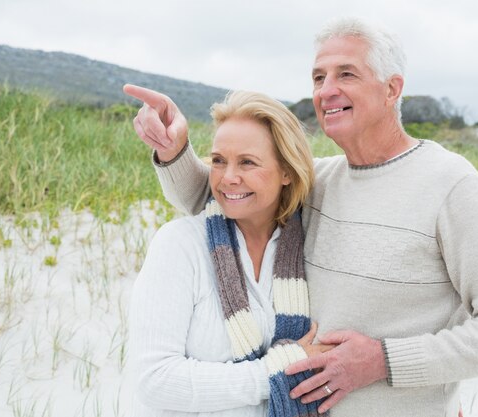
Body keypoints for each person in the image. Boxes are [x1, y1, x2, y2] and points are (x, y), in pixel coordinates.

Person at [124, 17, 478, 417]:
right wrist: (173, 150)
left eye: (346, 75)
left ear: (392, 89)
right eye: (318, 77)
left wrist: (382, 360)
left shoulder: (451, 185)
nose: (326, 91)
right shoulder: (320, 179)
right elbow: (223, 195)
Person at [128, 90, 332, 417]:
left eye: (247, 162)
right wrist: (279, 369)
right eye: (219, 160)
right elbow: (156, 381)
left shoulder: (308, 248)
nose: (228, 178)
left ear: (287, 172)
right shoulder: (179, 245)